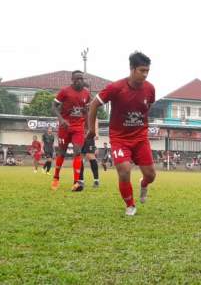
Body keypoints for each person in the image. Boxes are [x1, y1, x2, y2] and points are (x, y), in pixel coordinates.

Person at [87, 51, 156, 216]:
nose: (145, 74)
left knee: (151, 175)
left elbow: (149, 106)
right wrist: (91, 129)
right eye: (142, 70)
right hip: (120, 138)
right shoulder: (116, 88)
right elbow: (94, 104)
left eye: (147, 71)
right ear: (132, 69)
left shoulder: (150, 88)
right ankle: (130, 205)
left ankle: (144, 184)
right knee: (124, 170)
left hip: (140, 138)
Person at [51, 70, 91, 192]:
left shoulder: (86, 94)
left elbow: (86, 111)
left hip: (78, 127)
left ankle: (76, 182)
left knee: (77, 151)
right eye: (77, 79)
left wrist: (88, 128)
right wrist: (61, 119)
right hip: (65, 127)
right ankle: (56, 178)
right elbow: (53, 106)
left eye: (81, 78)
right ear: (72, 80)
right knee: (61, 153)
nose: (80, 81)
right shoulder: (65, 91)